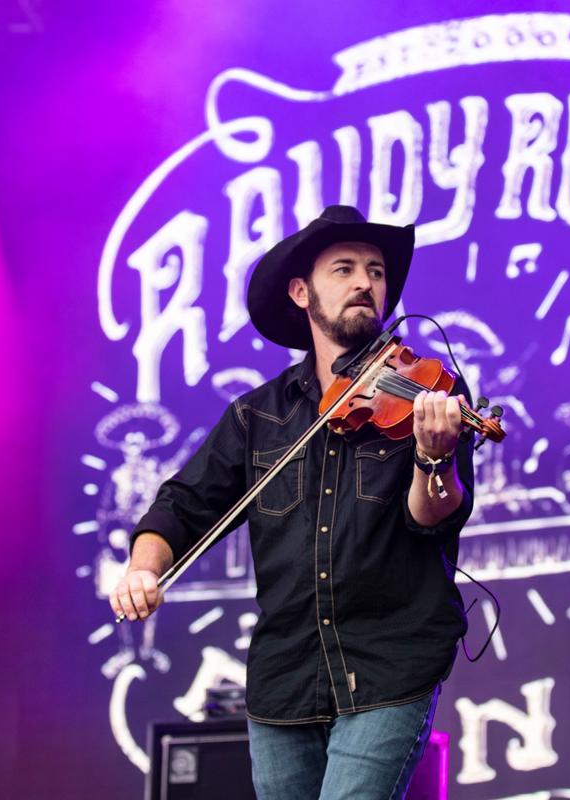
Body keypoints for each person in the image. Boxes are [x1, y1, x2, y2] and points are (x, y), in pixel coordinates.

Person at [110, 206, 474, 799]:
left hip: (390, 666)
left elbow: (432, 515)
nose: (365, 283)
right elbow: (182, 502)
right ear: (302, 292)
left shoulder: (430, 393)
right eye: (345, 269)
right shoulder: (259, 416)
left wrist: (434, 457)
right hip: (287, 677)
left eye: (376, 271)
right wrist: (143, 568)